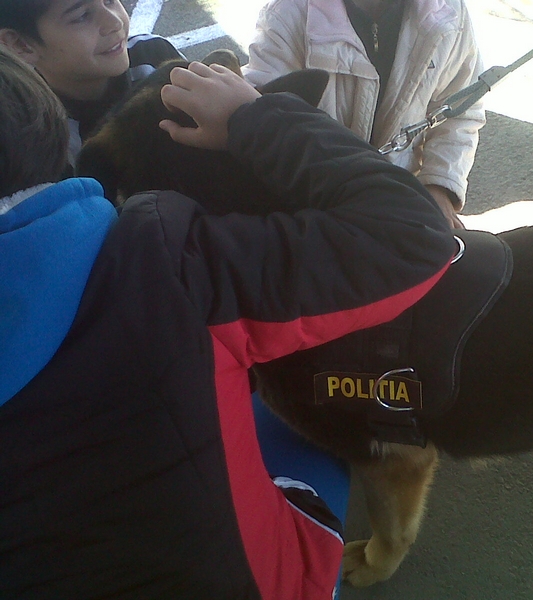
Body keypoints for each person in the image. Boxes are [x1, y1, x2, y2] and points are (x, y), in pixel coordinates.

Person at [0, 45, 454, 599]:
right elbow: (416, 238)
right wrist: (253, 118)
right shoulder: (167, 264)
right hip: (269, 583)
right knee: (306, 406)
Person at [242, 0, 486, 228]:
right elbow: (267, 125)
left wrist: (439, 187)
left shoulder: (448, 13)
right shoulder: (288, 15)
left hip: (401, 198)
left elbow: (459, 113)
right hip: (313, 203)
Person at [0, 0, 183, 169]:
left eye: (109, 1)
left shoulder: (154, 55)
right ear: (21, 45)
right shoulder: (32, 130)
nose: (114, 23)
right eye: (82, 16)